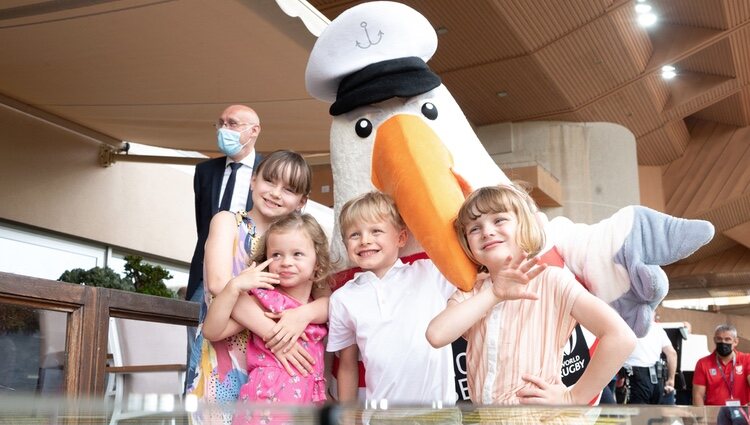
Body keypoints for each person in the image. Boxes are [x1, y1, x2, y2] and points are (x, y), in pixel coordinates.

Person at [426, 184, 636, 405]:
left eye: (499, 220)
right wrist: (495, 293)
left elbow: (621, 337)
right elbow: (436, 335)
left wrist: (573, 397)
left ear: (524, 225)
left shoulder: (552, 281)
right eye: (474, 228)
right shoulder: (473, 293)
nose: (487, 231)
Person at [187, 150, 329, 405]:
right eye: (270, 181)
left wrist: (301, 315)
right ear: (253, 180)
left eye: (289, 189)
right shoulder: (227, 221)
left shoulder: (297, 240)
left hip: (276, 362)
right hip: (226, 351)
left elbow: (326, 299)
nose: (275, 192)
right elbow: (219, 284)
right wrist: (275, 333)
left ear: (301, 201)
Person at [327, 191, 459, 405]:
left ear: (401, 237)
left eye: (376, 231)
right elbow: (348, 366)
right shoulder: (342, 299)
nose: (365, 240)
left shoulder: (430, 273)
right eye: (354, 235)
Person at [203, 212, 331, 423]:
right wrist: (233, 287)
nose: (286, 262)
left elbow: (333, 306)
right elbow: (212, 331)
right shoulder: (265, 300)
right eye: (277, 255)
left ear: (318, 263)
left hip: (306, 407)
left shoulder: (317, 306)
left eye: (297, 254)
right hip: (266, 405)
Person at [186, 105, 263, 387]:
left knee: (244, 352)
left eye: (232, 123)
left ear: (253, 130)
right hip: (206, 277)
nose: (223, 129)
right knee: (198, 353)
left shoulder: (268, 173)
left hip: (251, 276)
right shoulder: (204, 171)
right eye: (220, 123)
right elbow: (203, 227)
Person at [621, 318, 677, 404]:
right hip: (657, 378)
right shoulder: (657, 328)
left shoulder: (625, 326)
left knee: (636, 415)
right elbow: (672, 354)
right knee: (654, 414)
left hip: (635, 377)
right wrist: (671, 379)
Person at [693, 324, 750, 406]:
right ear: (714, 340)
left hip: (742, 414)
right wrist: (702, 417)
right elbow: (698, 395)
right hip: (714, 415)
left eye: (727, 339)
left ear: (735, 342)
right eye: (719, 339)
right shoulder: (703, 363)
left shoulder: (746, 359)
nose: (723, 342)